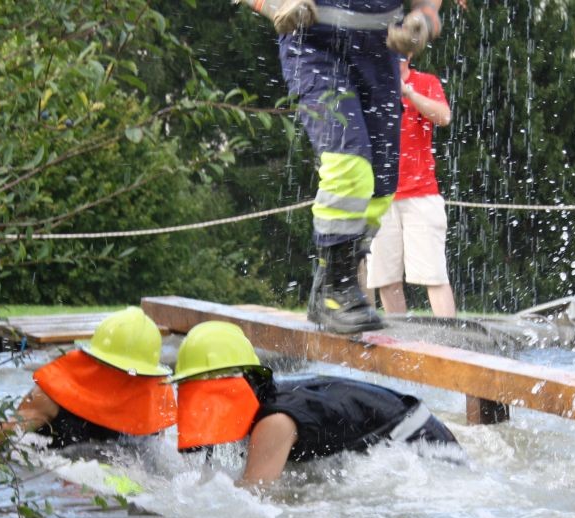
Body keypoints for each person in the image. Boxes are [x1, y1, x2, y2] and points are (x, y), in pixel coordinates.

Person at [235, 0, 448, 334]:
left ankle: (335, 282)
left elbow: (428, 7)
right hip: (315, 44)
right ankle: (336, 291)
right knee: (349, 165)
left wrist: (424, 17)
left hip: (380, 50)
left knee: (381, 185)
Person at [170, 320, 460, 487]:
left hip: (420, 441)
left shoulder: (275, 421)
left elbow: (253, 496)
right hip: (406, 422)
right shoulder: (266, 400)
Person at [0, 306, 176, 448]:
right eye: (118, 368)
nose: (126, 378)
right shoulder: (52, 395)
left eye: (135, 373)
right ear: (96, 362)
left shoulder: (154, 397)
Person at [365, 55, 456, 318]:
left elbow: (444, 116)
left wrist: (409, 93)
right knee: (385, 279)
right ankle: (399, 339)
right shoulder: (370, 82)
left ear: (411, 54)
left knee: (434, 275)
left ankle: (451, 338)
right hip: (379, 196)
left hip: (421, 195)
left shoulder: (425, 82)